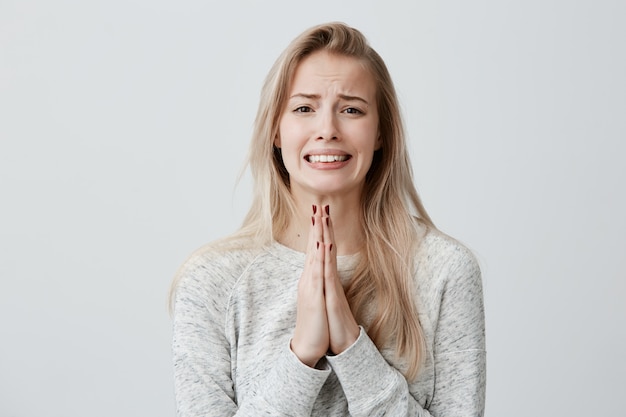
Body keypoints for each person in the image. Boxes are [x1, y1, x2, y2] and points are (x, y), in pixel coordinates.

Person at [170, 22, 486, 416]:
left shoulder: (444, 271)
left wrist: (353, 347)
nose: (327, 130)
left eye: (351, 109)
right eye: (304, 108)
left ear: (381, 133)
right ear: (276, 131)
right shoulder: (211, 280)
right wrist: (302, 353)